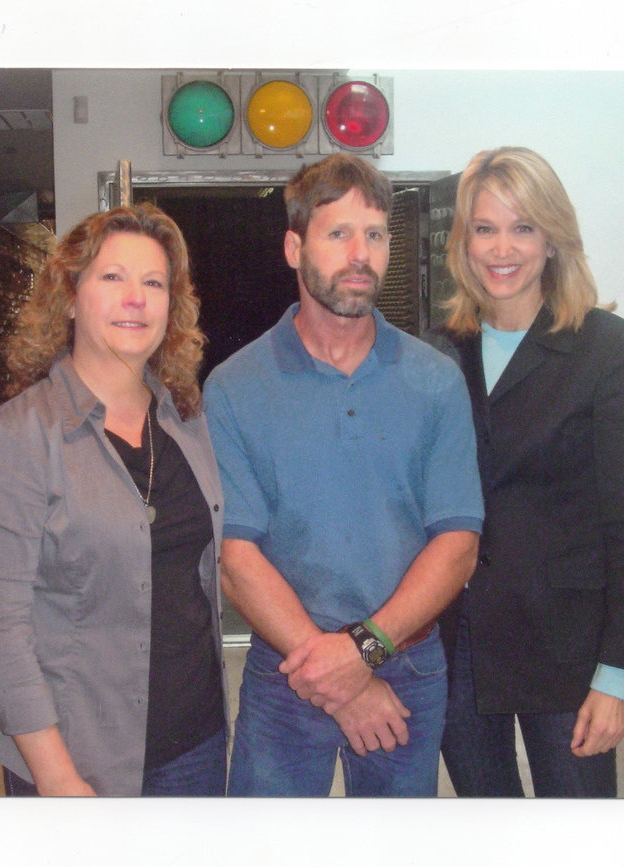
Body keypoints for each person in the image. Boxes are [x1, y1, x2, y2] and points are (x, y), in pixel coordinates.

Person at [203, 154, 485, 797]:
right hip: (286, 670)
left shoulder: (434, 381)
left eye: (376, 235)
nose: (361, 254)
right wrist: (336, 670)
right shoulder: (235, 388)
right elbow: (235, 556)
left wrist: (360, 653)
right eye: (338, 234)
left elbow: (458, 544)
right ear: (293, 246)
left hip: (409, 666)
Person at [0, 203, 227, 797]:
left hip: (198, 745)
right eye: (113, 277)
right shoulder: (13, 439)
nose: (137, 298)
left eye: (154, 283)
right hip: (80, 760)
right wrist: (55, 775)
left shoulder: (186, 420)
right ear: (70, 298)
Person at [435, 146, 624, 798]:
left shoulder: (608, 348)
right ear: (464, 242)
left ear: (554, 238)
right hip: (463, 648)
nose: (503, 247)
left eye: (523, 227)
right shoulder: (441, 352)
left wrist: (616, 678)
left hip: (568, 655)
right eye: (485, 228)